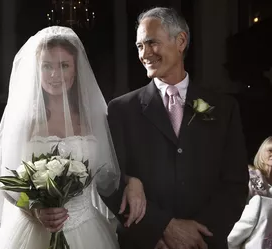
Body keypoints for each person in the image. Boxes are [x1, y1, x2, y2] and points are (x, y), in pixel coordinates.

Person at [0, 26, 145, 249]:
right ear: (37, 70)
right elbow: (7, 184)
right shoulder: (24, 121)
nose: (55, 75)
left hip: (87, 228)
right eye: (46, 66)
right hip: (32, 230)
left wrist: (133, 180)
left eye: (64, 65)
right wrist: (35, 210)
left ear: (76, 69)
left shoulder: (95, 118)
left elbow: (110, 173)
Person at [101, 7, 249, 249]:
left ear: (180, 41)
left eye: (151, 43)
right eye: (139, 46)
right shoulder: (121, 110)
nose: (144, 53)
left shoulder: (224, 108)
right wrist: (162, 229)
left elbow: (235, 184)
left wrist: (198, 236)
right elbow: (112, 185)